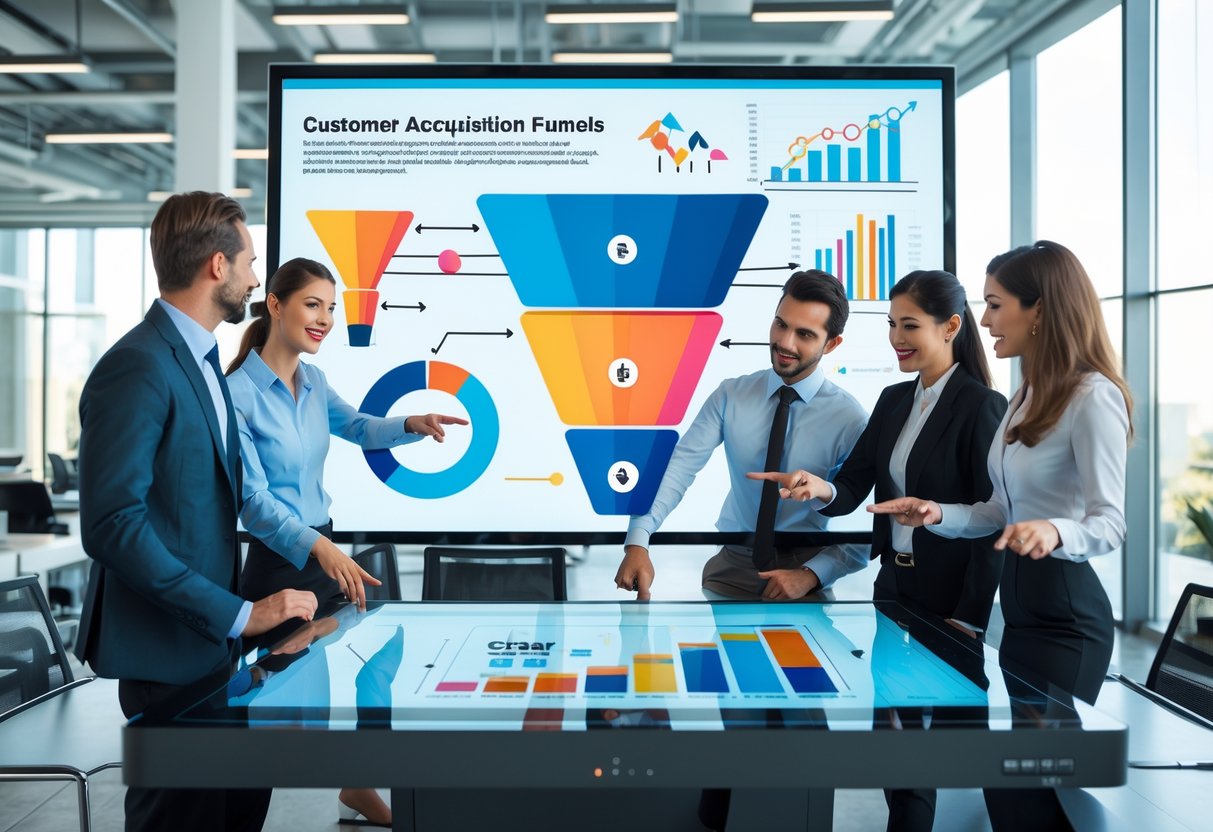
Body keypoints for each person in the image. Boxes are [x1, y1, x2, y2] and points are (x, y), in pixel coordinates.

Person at [74, 191, 320, 832]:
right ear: (217, 265)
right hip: (166, 652)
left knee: (232, 811)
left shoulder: (205, 362)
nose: (256, 279)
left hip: (211, 648)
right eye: (250, 263)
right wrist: (241, 613)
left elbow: (220, 498)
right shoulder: (138, 366)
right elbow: (112, 526)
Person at [868, 241, 1133, 831]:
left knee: (1032, 797)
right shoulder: (1025, 396)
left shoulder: (1094, 396)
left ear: (1038, 310)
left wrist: (1053, 530)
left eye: (995, 305)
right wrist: (935, 513)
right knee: (1013, 796)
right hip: (1018, 620)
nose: (984, 321)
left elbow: (1110, 522)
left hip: (1067, 621)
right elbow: (995, 511)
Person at [749, 269, 1007, 832]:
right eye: (892, 324)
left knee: (958, 747)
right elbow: (854, 486)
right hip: (895, 591)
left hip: (951, 604)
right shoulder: (894, 401)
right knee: (894, 743)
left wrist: (971, 617)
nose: (896, 338)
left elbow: (993, 521)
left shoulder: (981, 405)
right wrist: (820, 488)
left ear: (951, 327)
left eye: (910, 326)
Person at [226, 256, 467, 827]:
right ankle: (238, 816)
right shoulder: (236, 393)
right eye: (312, 304)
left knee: (382, 660)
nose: (325, 319)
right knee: (274, 717)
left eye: (331, 308)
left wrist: (409, 424)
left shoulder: (313, 381)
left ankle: (357, 783)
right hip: (280, 568)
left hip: (324, 555)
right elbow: (253, 502)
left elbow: (358, 426)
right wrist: (318, 548)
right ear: (275, 305)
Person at [613, 269, 868, 603]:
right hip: (730, 567)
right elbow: (678, 468)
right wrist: (638, 540)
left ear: (831, 344)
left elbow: (873, 518)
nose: (785, 342)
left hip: (804, 572)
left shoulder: (851, 419)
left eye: (804, 334)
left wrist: (813, 574)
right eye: (781, 324)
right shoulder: (731, 395)